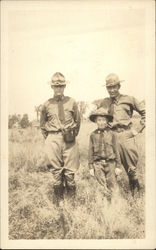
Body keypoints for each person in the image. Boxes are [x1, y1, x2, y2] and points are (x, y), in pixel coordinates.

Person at [96, 73, 145, 196]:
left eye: (114, 87)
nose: (112, 90)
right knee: (111, 169)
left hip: (125, 137)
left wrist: (136, 130)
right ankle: (113, 199)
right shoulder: (104, 103)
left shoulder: (129, 99)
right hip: (110, 138)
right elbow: (99, 118)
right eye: (109, 87)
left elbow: (146, 112)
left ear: (119, 86)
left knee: (131, 169)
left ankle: (136, 197)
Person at [40, 72, 81, 205]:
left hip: (69, 139)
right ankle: (58, 202)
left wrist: (71, 135)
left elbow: (78, 121)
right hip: (52, 138)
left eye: (61, 86)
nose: (59, 89)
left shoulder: (72, 102)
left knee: (70, 172)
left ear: (64, 87)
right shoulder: (46, 104)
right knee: (56, 172)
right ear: (52, 87)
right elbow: (42, 125)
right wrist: (51, 138)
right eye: (56, 86)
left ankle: (71, 202)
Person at [88, 107, 122, 200]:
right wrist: (91, 167)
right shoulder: (93, 135)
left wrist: (118, 166)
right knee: (101, 187)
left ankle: (114, 206)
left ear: (107, 121)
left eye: (103, 120)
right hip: (98, 164)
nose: (101, 122)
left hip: (110, 163)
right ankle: (103, 207)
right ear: (95, 121)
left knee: (112, 186)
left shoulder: (112, 134)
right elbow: (90, 151)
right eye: (99, 120)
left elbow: (116, 150)